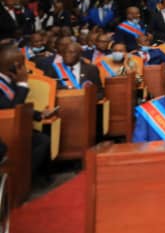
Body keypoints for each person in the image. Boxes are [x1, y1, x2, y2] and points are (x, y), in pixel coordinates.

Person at [0, 44, 54, 181]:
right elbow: (11, 112)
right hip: (5, 131)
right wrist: (22, 84)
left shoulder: (8, 79)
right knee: (40, 141)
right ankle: (19, 180)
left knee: (42, 139)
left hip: (14, 127)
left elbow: (18, 104)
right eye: (23, 64)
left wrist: (38, 114)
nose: (26, 68)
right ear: (15, 66)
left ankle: (24, 177)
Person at [35, 39, 102, 97]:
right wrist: (67, 89)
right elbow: (47, 89)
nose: (67, 55)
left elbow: (99, 92)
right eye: (64, 52)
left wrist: (89, 99)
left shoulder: (91, 69)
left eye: (71, 52)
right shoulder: (53, 69)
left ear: (79, 54)